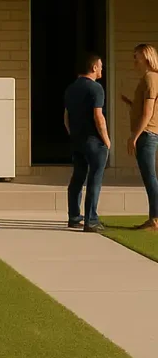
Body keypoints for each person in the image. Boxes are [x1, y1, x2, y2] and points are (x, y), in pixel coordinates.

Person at [64, 53, 110, 232]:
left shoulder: (71, 88)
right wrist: (106, 140)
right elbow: (98, 116)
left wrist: (72, 134)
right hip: (93, 141)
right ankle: (91, 220)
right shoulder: (96, 88)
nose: (101, 69)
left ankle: (74, 216)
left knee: (77, 178)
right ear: (93, 68)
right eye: (100, 66)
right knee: (94, 179)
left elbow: (66, 115)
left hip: (77, 141)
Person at [121, 43, 158, 231]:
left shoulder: (151, 78)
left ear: (146, 56)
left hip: (146, 134)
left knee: (150, 176)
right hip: (147, 133)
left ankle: (155, 219)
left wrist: (134, 136)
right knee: (149, 176)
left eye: (136, 56)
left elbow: (148, 112)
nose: (134, 60)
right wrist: (131, 104)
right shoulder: (148, 78)